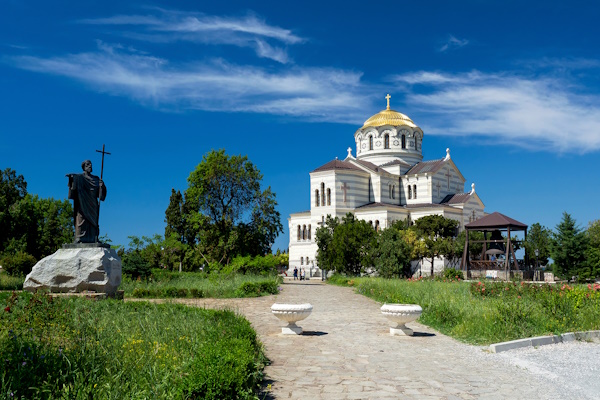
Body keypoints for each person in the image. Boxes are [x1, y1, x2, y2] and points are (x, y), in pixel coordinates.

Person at [66, 160, 107, 243]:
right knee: (81, 219)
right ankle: (79, 238)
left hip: (93, 204)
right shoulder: (80, 177)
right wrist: (71, 178)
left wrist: (102, 187)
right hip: (82, 202)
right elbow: (74, 179)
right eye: (88, 164)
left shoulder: (96, 179)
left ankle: (94, 238)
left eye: (91, 164)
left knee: (93, 222)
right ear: (84, 167)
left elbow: (101, 195)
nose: (90, 165)